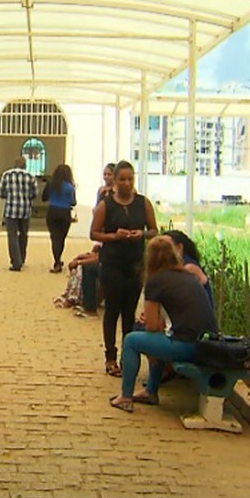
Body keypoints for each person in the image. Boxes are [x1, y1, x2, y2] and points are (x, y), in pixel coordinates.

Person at [109, 237, 219, 412]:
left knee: (131, 341)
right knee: (159, 337)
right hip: (206, 343)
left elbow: (151, 325)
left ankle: (125, 396)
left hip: (187, 345)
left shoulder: (156, 282)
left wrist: (154, 342)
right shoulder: (186, 275)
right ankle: (150, 391)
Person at [90, 160, 158, 377]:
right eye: (122, 180)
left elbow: (154, 230)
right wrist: (114, 236)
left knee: (129, 312)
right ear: (115, 181)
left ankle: (128, 357)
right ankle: (110, 356)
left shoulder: (143, 203)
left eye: (130, 179)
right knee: (112, 310)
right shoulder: (106, 205)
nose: (126, 183)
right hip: (112, 263)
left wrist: (142, 234)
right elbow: (94, 233)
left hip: (136, 264)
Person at [0, 156, 37, 271]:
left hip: (11, 209)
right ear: (25, 165)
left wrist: (10, 196)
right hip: (25, 210)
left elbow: (2, 193)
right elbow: (34, 193)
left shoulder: (6, 175)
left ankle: (16, 261)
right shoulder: (30, 176)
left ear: (14, 164)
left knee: (12, 236)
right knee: (24, 234)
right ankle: (22, 257)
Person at [42, 164, 77, 273]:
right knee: (61, 238)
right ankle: (58, 259)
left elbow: (44, 198)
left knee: (54, 237)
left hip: (52, 211)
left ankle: (57, 261)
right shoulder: (70, 187)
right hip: (65, 213)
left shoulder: (51, 184)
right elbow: (73, 202)